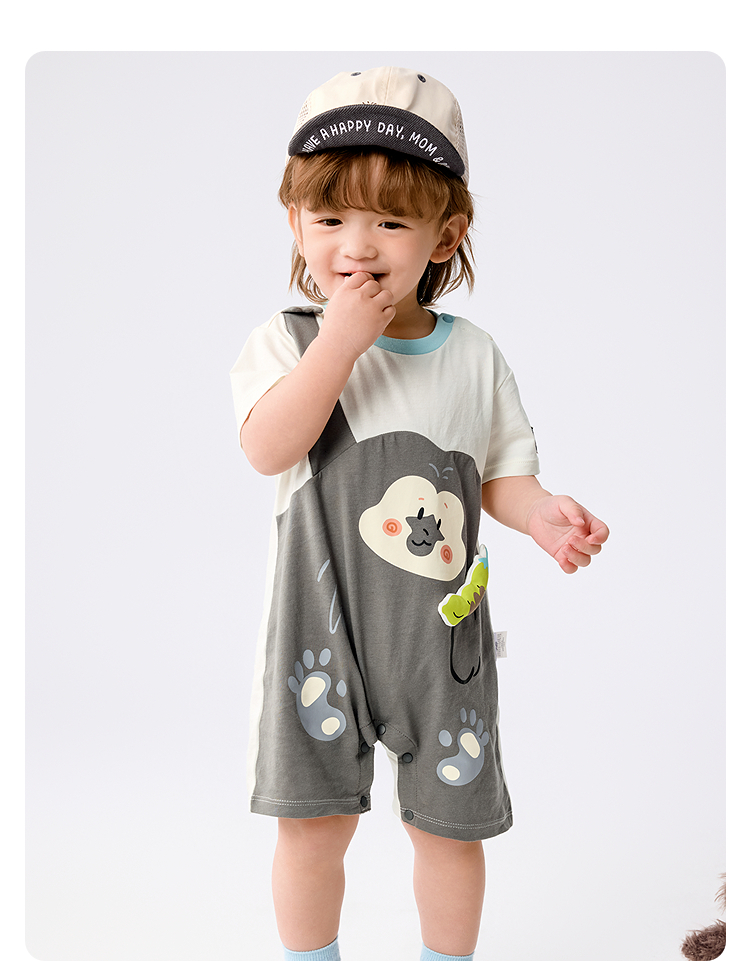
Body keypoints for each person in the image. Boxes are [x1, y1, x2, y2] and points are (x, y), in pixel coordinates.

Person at [230, 66, 609, 961]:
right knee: (311, 827)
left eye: (391, 222)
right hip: (318, 638)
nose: (357, 247)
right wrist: (338, 345)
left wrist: (543, 514)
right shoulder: (285, 341)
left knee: (449, 827)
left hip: (441, 644)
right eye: (330, 219)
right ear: (295, 222)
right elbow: (269, 447)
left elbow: (499, 474)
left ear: (446, 234)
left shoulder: (472, 355)